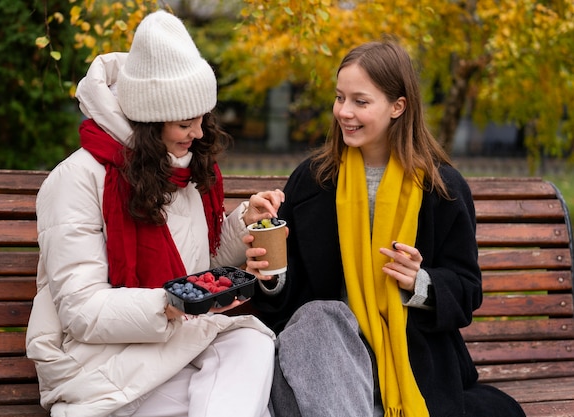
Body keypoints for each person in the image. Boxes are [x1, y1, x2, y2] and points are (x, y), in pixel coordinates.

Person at [245, 41, 526, 417]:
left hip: (407, 361)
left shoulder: (441, 189)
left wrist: (421, 282)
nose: (344, 112)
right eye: (339, 97)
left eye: (361, 102)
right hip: (323, 360)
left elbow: (467, 290)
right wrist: (271, 273)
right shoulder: (313, 181)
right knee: (319, 316)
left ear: (398, 106)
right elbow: (287, 299)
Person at [26, 10, 284, 417]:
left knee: (251, 342)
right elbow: (79, 311)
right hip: (106, 364)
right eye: (185, 123)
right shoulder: (75, 179)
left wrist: (242, 222)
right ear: (148, 122)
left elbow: (199, 269)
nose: (198, 134)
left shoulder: (182, 168)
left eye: (202, 119)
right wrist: (167, 305)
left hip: (180, 345)